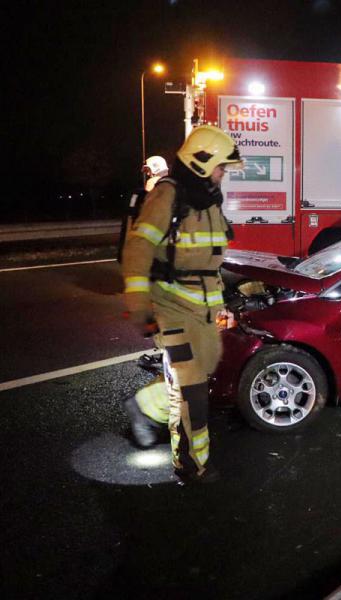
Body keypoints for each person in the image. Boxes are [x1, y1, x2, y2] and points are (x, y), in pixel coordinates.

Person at [120, 125, 242, 484]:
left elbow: (210, 264)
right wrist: (140, 305)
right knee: (191, 391)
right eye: (221, 167)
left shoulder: (209, 202)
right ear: (202, 163)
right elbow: (138, 250)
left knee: (198, 377)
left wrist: (219, 305)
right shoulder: (167, 196)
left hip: (200, 309)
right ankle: (191, 466)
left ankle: (143, 407)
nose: (224, 174)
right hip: (171, 306)